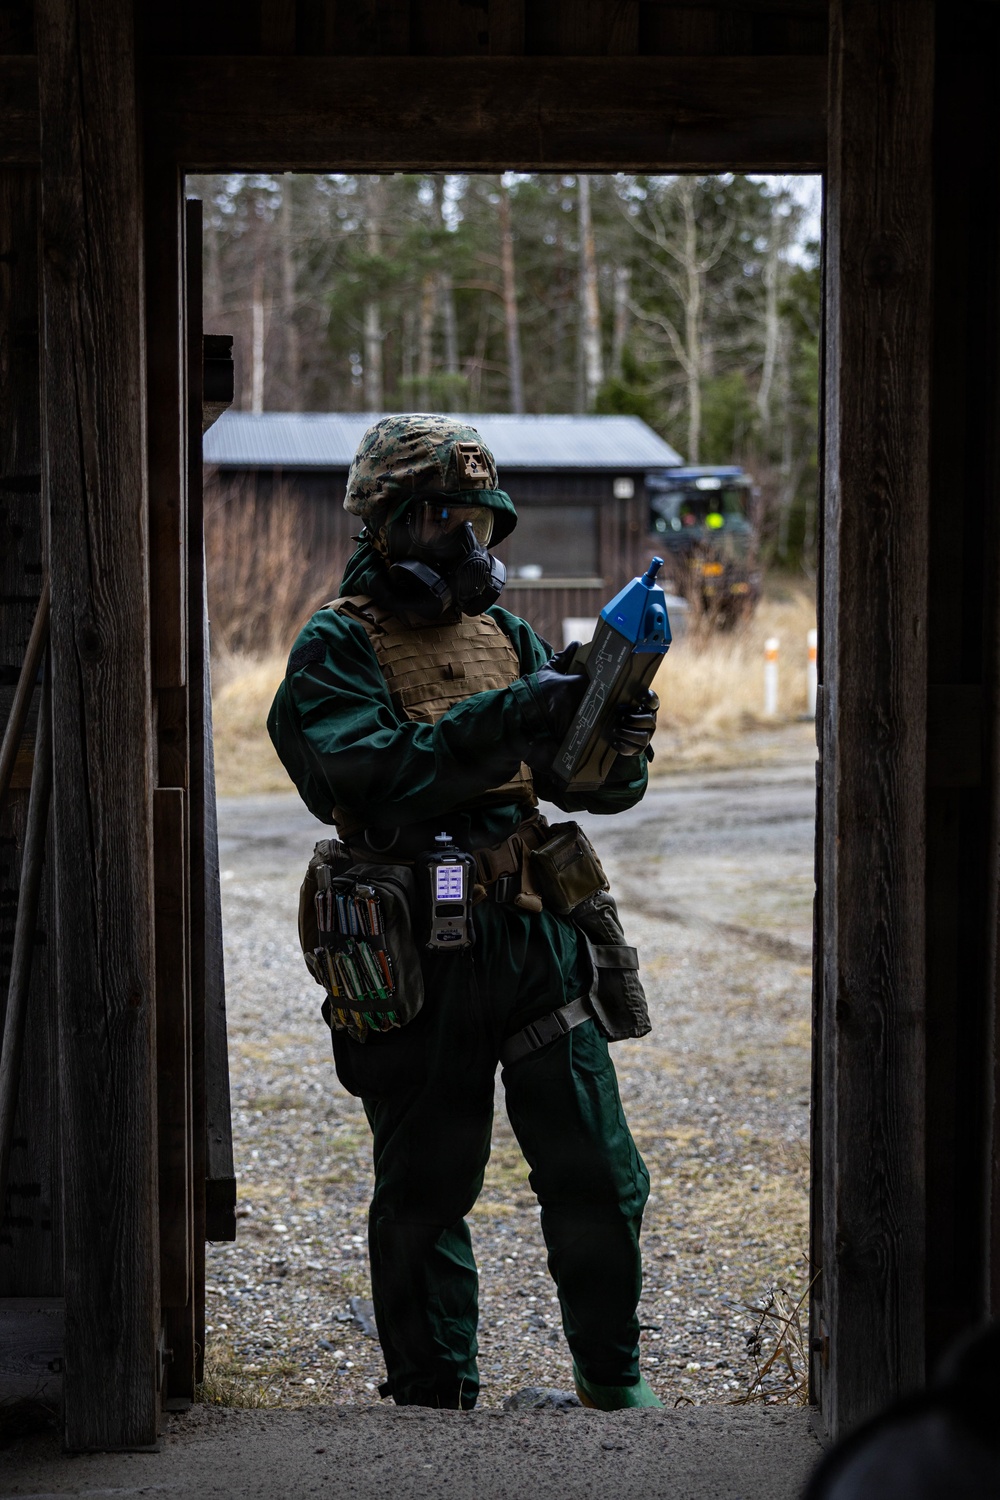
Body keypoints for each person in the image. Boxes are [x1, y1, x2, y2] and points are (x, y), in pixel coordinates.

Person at [268, 413, 662, 1412]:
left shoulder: (504, 634)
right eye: (441, 514)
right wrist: (516, 713)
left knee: (599, 1173)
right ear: (384, 524)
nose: (465, 540)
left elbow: (588, 787)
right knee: (427, 1188)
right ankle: (433, 1405)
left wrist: (615, 729)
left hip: (536, 934)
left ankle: (613, 1385)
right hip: (420, 949)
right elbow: (371, 775)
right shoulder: (334, 647)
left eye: (479, 517)